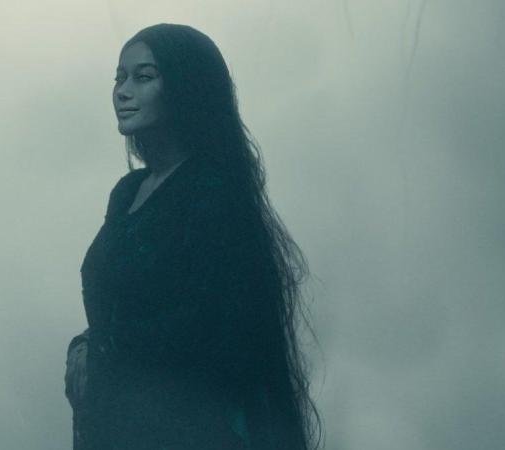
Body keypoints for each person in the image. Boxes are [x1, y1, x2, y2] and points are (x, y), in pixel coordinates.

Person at [64, 23, 321, 450]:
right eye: (119, 77)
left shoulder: (215, 193)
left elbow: (209, 330)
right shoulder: (127, 193)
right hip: (117, 426)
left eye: (143, 77)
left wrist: (101, 350)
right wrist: (87, 343)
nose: (122, 91)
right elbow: (114, 304)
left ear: (185, 87)